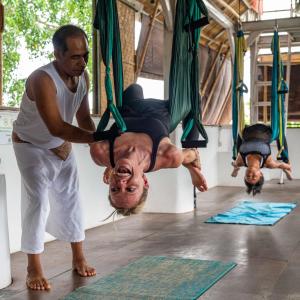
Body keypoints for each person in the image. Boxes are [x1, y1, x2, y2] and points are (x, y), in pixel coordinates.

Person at [12, 25, 99, 291]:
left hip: (61, 144)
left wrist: (104, 144)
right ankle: (33, 268)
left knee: (71, 198)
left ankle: (79, 257)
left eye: (85, 55)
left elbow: (83, 120)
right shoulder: (42, 79)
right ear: (57, 54)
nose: (82, 62)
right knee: (38, 201)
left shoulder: (83, 78)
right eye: (74, 56)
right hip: (30, 145)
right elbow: (56, 126)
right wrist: (98, 138)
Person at [90, 84, 208, 216]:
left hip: (132, 105)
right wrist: (193, 169)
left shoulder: (100, 153)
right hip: (165, 110)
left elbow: (91, 135)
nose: (121, 183)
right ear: (144, 181)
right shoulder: (166, 155)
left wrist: (111, 165)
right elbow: (192, 154)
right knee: (194, 96)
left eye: (114, 189)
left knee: (135, 88)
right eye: (130, 189)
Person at [231, 123, 292, 195]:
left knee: (237, 154)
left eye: (248, 176)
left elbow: (234, 164)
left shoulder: (240, 162)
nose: (250, 174)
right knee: (282, 144)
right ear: (261, 174)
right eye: (254, 176)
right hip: (265, 130)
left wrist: (235, 170)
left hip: (247, 131)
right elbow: (288, 166)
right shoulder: (268, 163)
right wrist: (286, 170)